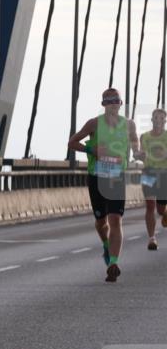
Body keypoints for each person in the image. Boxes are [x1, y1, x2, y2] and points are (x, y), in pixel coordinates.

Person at [67, 88, 140, 282]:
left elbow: (135, 146)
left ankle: (113, 263)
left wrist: (141, 154)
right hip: (96, 177)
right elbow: (72, 143)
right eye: (108, 101)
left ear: (121, 103)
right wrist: (91, 149)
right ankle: (106, 245)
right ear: (103, 105)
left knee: (115, 219)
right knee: (101, 222)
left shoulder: (129, 125)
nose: (112, 103)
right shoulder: (94, 124)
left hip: (116, 177)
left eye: (115, 100)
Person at [137, 108, 167, 250]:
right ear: (151, 120)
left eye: (161, 118)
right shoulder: (145, 137)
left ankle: (165, 213)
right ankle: (152, 238)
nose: (158, 121)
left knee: (161, 210)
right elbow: (142, 152)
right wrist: (139, 155)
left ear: (165, 121)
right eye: (155, 118)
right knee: (150, 205)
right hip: (148, 172)